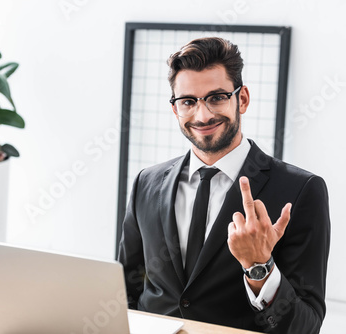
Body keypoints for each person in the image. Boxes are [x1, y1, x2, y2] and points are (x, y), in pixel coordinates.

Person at [117, 37, 330, 333]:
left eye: (216, 97)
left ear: (241, 99)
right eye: (188, 101)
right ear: (175, 109)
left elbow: (305, 326)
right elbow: (124, 293)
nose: (202, 115)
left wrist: (260, 267)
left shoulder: (301, 190)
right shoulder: (146, 183)